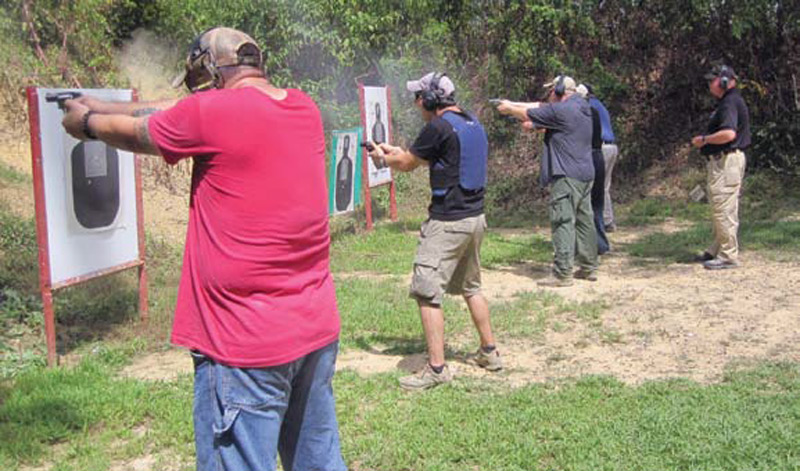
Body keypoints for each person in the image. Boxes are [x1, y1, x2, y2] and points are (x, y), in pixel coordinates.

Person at [60, 27, 347, 471]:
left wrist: (85, 123)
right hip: (312, 331)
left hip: (243, 344)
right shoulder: (302, 106)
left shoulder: (212, 112)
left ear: (211, 70)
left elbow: (143, 131)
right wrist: (98, 101)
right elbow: (178, 111)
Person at [366, 72, 502, 391]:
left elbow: (409, 163)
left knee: (427, 291)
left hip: (448, 223)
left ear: (430, 100)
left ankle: (437, 368)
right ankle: (489, 352)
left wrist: (382, 160)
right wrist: (393, 152)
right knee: (471, 287)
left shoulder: (437, 127)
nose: (416, 103)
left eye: (419, 97)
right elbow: (434, 158)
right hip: (475, 219)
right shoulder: (471, 122)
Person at [496, 76, 598, 286]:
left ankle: (562, 273)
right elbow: (542, 108)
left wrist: (509, 109)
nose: (549, 95)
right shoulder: (582, 106)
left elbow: (531, 112)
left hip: (567, 175)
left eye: (552, 91)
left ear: (560, 91)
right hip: (586, 174)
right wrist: (513, 103)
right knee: (584, 220)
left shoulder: (562, 110)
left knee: (562, 220)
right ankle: (588, 267)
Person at [691, 64, 751, 270]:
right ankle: (717, 249)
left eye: (713, 80)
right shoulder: (729, 101)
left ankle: (728, 255)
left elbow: (728, 134)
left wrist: (705, 140)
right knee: (723, 207)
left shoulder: (729, 103)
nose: (710, 84)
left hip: (726, 161)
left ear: (725, 81)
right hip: (726, 161)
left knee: (723, 207)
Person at [576, 84, 610, 254]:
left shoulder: (582, 114)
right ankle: (601, 244)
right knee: (598, 202)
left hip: (588, 157)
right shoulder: (594, 111)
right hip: (598, 156)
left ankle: (587, 246)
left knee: (585, 205)